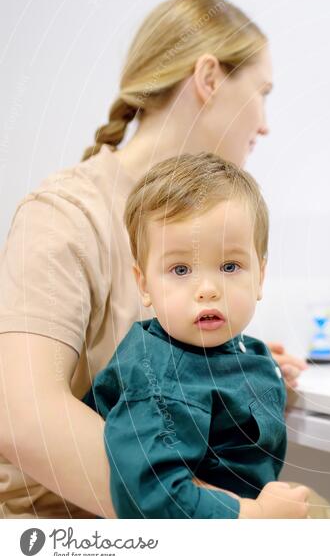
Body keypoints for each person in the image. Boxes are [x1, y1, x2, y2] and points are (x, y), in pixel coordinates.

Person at [0, 0, 307, 519]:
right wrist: (227, 517)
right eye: (262, 93)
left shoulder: (197, 224)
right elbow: (21, 418)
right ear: (208, 79)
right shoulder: (66, 215)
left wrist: (226, 375)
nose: (265, 124)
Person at [83, 153, 311, 519]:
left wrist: (259, 373)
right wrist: (255, 517)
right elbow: (149, 497)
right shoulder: (156, 380)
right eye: (180, 269)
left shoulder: (229, 348)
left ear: (260, 277)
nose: (207, 289)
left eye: (230, 266)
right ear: (144, 285)